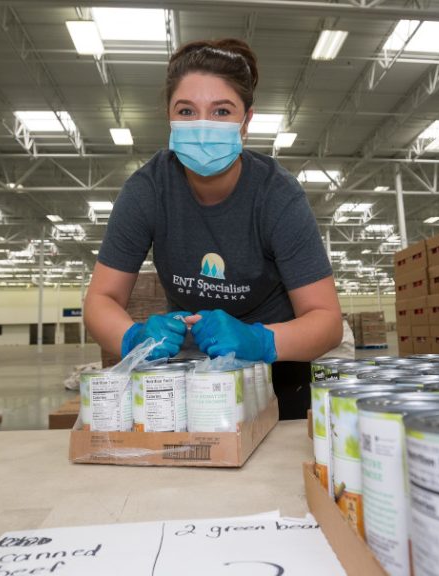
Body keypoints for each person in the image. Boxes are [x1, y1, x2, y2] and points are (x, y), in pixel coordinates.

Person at [83, 38, 342, 420]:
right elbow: (100, 301)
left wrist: (260, 339)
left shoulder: (277, 195)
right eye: (186, 111)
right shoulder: (148, 190)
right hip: (190, 372)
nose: (203, 126)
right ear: (168, 118)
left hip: (278, 369)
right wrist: (132, 338)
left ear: (246, 121)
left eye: (221, 111)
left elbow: (326, 319)